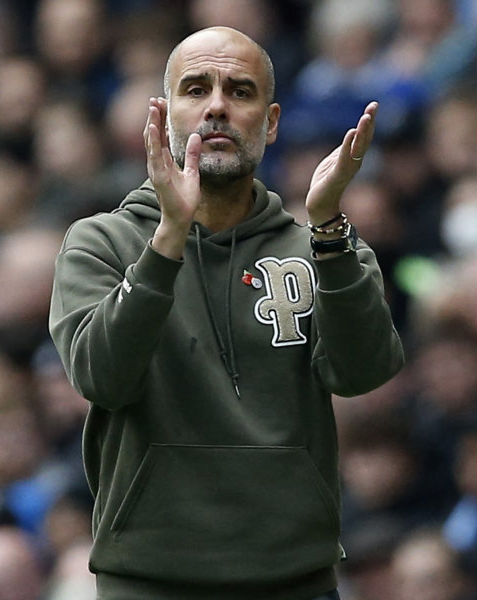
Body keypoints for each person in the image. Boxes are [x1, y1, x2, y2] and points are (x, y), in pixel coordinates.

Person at [49, 25, 404, 599]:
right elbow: (102, 377)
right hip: (149, 583)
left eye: (240, 91)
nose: (217, 106)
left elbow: (364, 373)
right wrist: (167, 240)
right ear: (163, 116)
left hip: (295, 581)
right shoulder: (101, 242)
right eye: (196, 89)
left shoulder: (321, 245)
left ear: (271, 122)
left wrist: (328, 229)